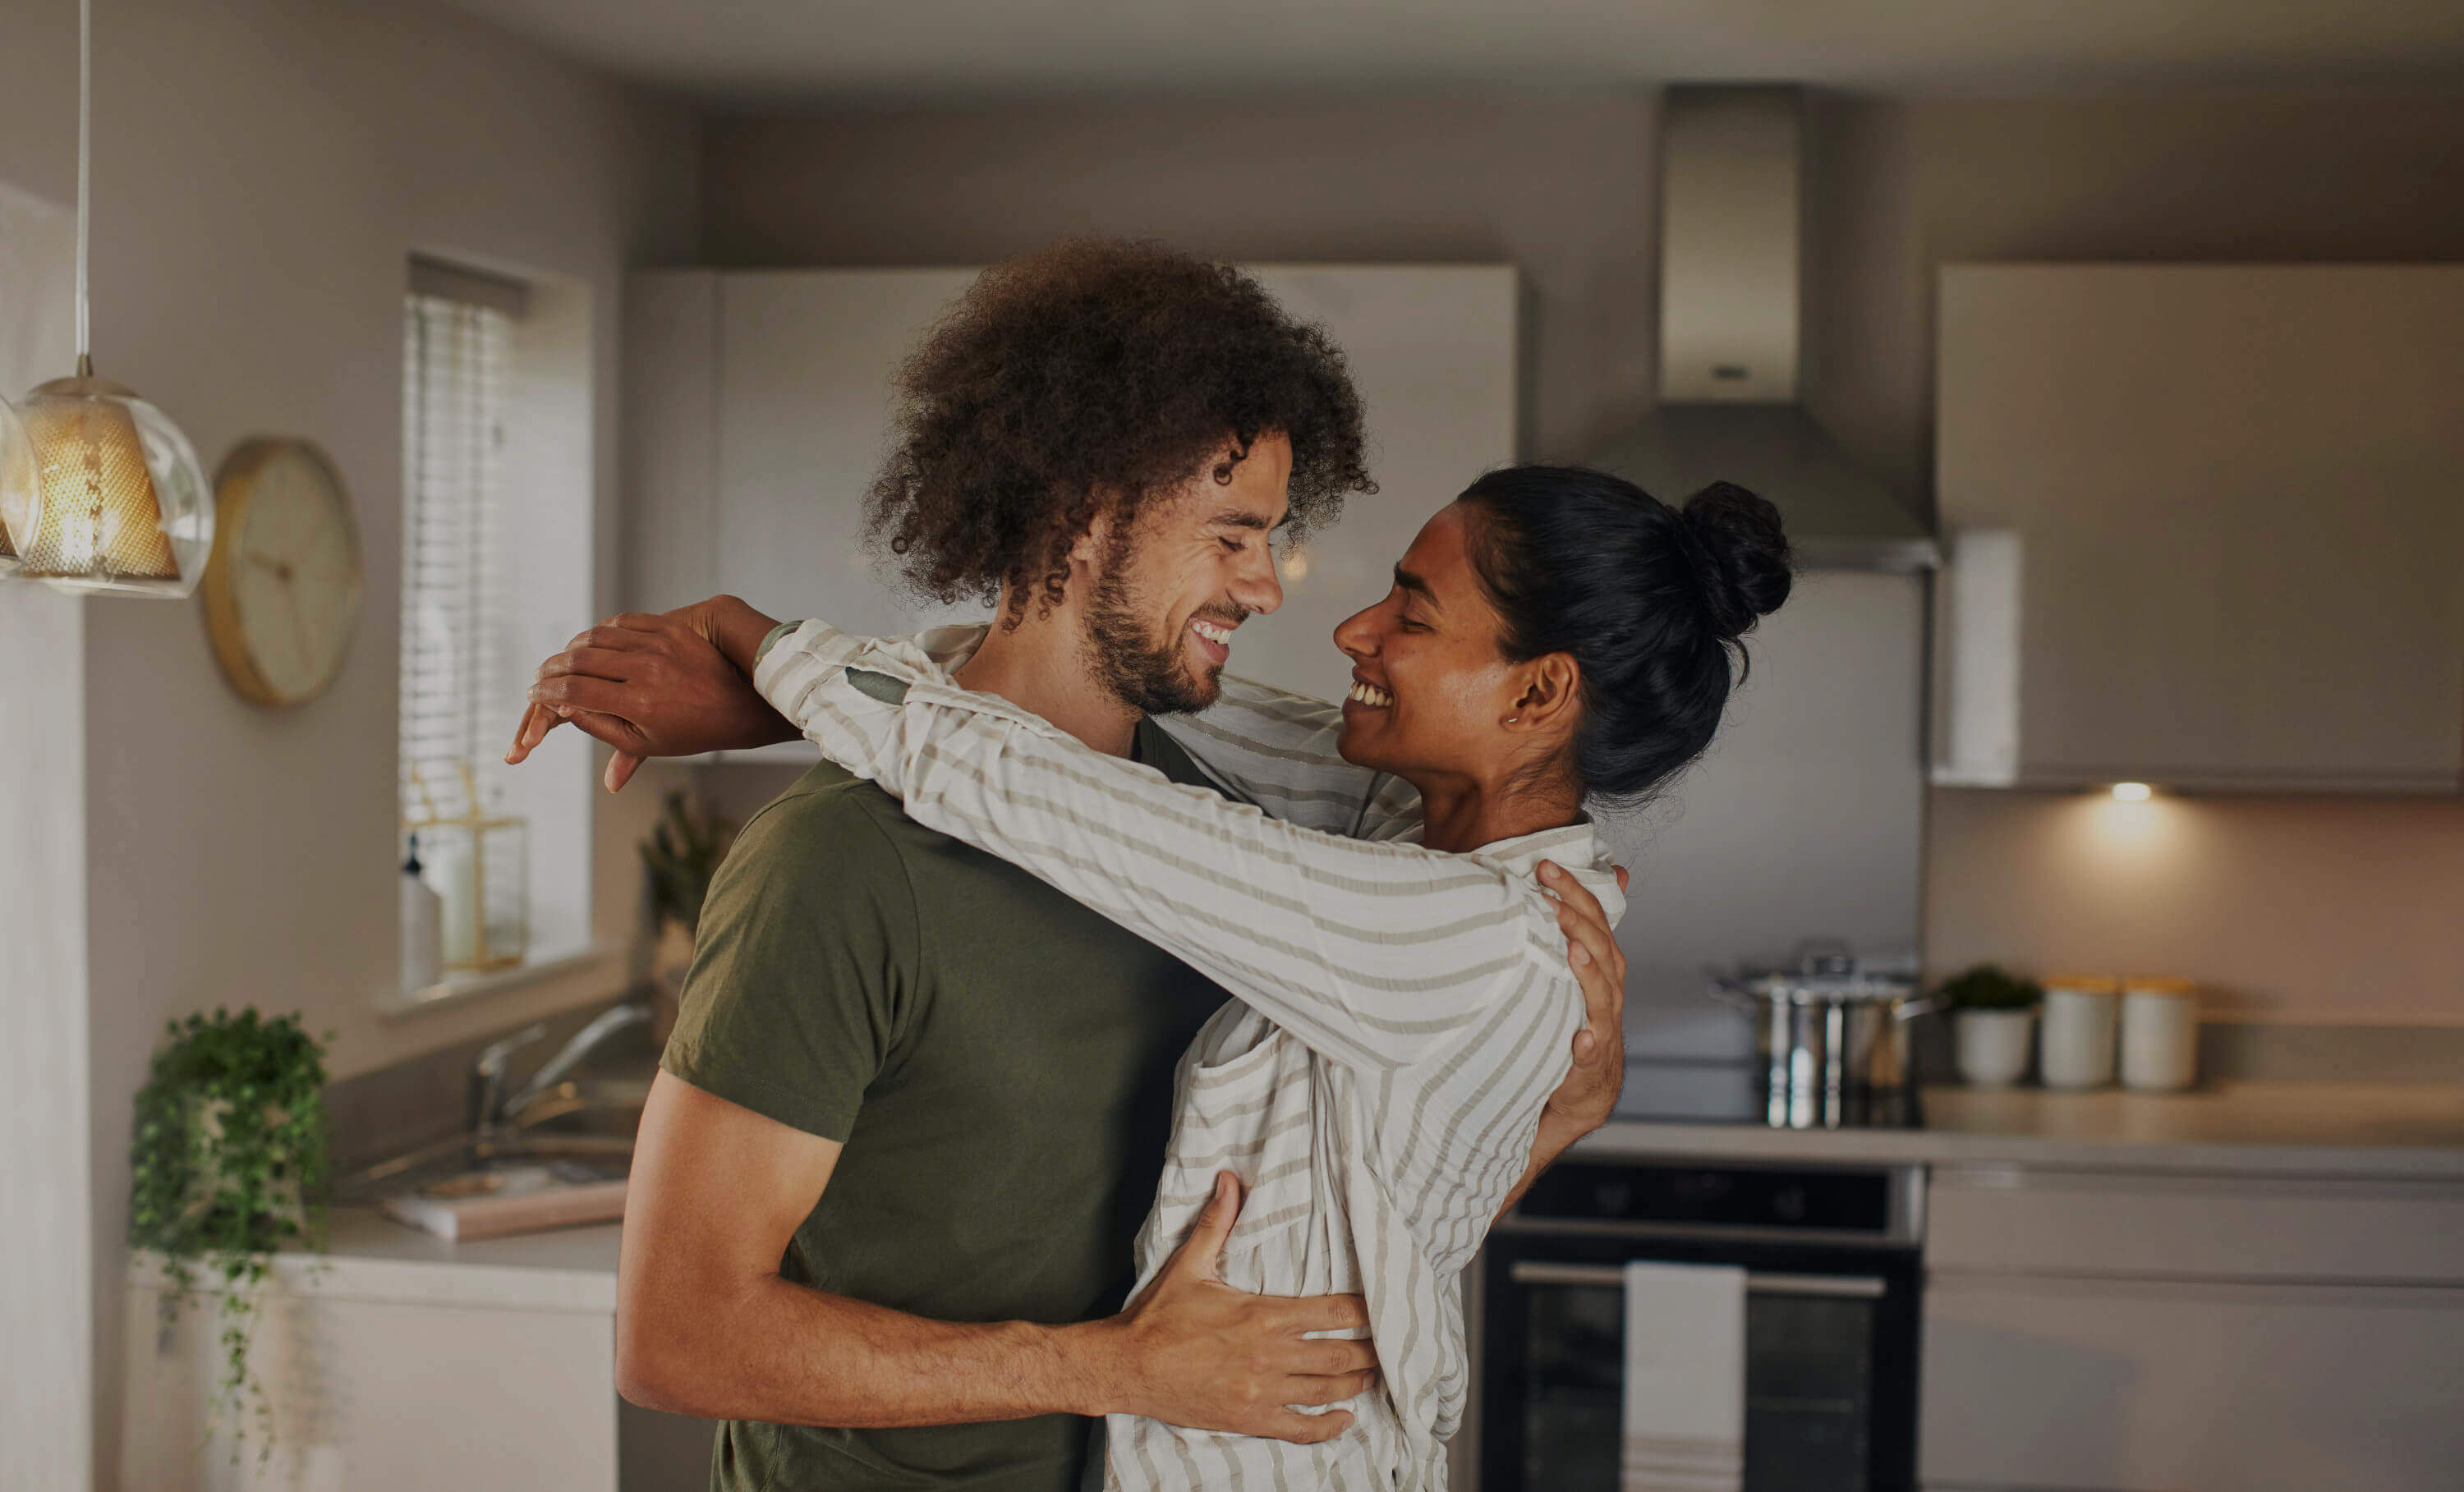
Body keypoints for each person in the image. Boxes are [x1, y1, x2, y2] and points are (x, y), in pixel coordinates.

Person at [505, 239, 1634, 1492]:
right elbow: (678, 1334)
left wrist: (1543, 1112)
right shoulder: (840, 864)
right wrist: (1110, 1367)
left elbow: (1356, 1226)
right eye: (1233, 536)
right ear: (1088, 514)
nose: (1268, 589)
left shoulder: (1238, 841)